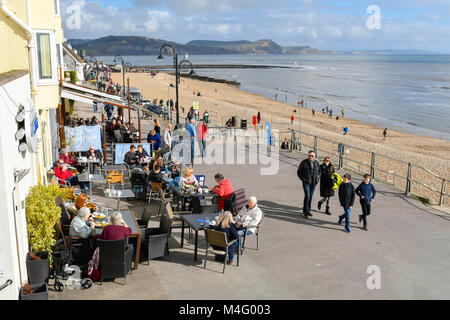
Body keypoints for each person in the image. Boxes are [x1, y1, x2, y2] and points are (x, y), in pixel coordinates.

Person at [297, 151, 320, 218]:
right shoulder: (304, 162)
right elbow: (299, 172)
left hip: (314, 182)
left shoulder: (316, 163)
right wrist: (303, 180)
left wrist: (317, 179)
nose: (311, 157)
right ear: (308, 155)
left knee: (310, 197)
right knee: (307, 196)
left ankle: (307, 210)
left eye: (312, 156)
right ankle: (306, 212)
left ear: (314, 156)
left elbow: (319, 172)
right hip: (306, 182)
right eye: (309, 155)